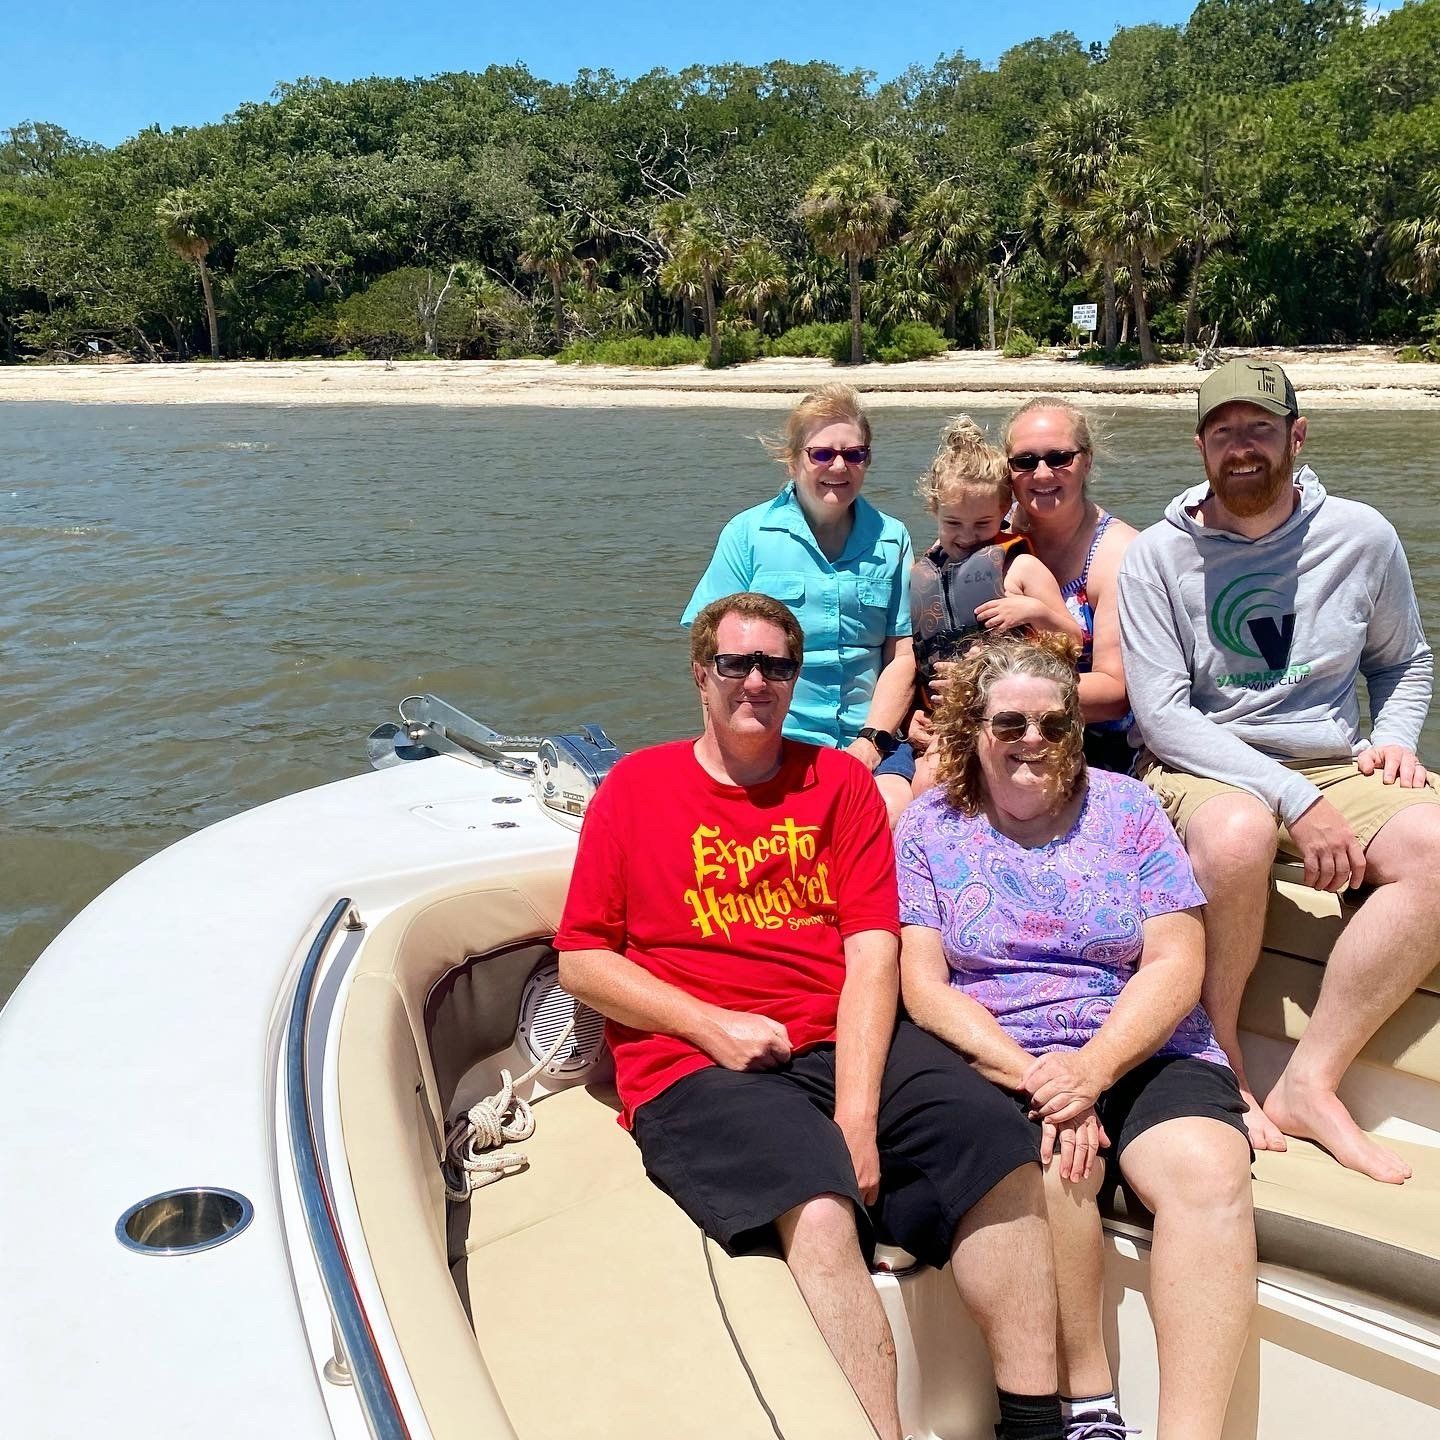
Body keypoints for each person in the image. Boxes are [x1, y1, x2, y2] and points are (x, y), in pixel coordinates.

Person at [556, 592, 1067, 1440]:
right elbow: (584, 961)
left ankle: (1035, 1423)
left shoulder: (839, 784)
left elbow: (873, 953)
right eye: (735, 664)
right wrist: (710, 1024)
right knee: (820, 1203)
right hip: (696, 1063)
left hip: (841, 1035)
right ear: (700, 675)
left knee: (994, 1139)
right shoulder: (635, 789)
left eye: (776, 667)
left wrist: (857, 1114)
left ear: (796, 680)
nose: (756, 682)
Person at [895, 633, 1255, 1440]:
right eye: (1010, 722)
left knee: (1209, 1171)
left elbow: (1175, 956)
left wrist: (1091, 1069)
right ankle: (1087, 1403)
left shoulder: (1126, 809)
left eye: (1055, 725)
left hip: (1138, 1040)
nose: (1032, 740)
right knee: (1055, 1166)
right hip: (1006, 1053)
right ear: (973, 728)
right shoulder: (929, 826)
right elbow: (923, 986)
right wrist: (1040, 1078)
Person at [1118, 357, 1440, 1185]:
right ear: (1200, 448)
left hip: (1335, 762)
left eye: (1259, 428)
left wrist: (1397, 736)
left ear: (1296, 435)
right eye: (1224, 432)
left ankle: (1312, 1079)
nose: (1243, 448)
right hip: (1203, 761)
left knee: (1436, 846)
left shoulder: (1363, 536)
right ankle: (1220, 1051)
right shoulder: (1158, 555)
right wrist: (1292, 798)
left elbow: (1403, 662)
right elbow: (1162, 715)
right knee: (1236, 833)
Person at [681, 384, 916, 821]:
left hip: (870, 739)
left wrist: (869, 743)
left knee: (891, 812)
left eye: (854, 454)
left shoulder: (893, 538)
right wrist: (724, 749)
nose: (839, 466)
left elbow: (900, 656)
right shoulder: (747, 534)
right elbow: (708, 652)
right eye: (822, 454)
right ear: (793, 461)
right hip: (773, 738)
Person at [889, 415, 1082, 797]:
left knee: (939, 779)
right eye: (953, 523)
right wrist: (910, 717)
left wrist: (1032, 611)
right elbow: (910, 659)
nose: (966, 536)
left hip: (1013, 721)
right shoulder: (922, 573)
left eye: (982, 523)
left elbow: (1074, 640)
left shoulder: (1021, 566)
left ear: (1004, 507)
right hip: (944, 722)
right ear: (933, 511)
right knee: (926, 782)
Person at [1003, 399, 1137, 773]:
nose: (1042, 474)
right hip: (1001, 734)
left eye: (1059, 458)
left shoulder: (1119, 554)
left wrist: (1000, 698)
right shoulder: (981, 530)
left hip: (1099, 746)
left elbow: (1115, 694)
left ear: (1087, 461)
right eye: (1025, 462)